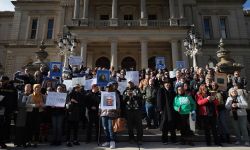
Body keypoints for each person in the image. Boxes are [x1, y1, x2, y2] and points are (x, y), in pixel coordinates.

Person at [100, 82, 120, 149]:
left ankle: (112, 142)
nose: (108, 88)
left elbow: (118, 104)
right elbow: (100, 104)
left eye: (109, 87)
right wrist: (100, 108)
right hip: (104, 113)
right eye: (107, 87)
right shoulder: (103, 94)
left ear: (112, 87)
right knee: (105, 128)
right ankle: (108, 140)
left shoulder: (115, 94)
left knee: (110, 128)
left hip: (112, 113)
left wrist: (115, 109)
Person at [0, 76, 18, 149]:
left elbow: (15, 99)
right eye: (1, 81)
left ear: (7, 81)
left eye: (3, 81)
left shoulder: (13, 89)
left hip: (8, 111)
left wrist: (15, 109)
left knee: (6, 126)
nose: (2, 82)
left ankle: (3, 142)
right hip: (0, 110)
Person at [157, 80, 177, 144]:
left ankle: (173, 140)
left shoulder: (173, 91)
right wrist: (160, 110)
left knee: (172, 125)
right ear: (164, 84)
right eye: (166, 83)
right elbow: (159, 100)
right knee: (165, 125)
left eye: (168, 83)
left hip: (172, 110)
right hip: (164, 110)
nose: (167, 84)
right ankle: (164, 140)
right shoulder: (161, 90)